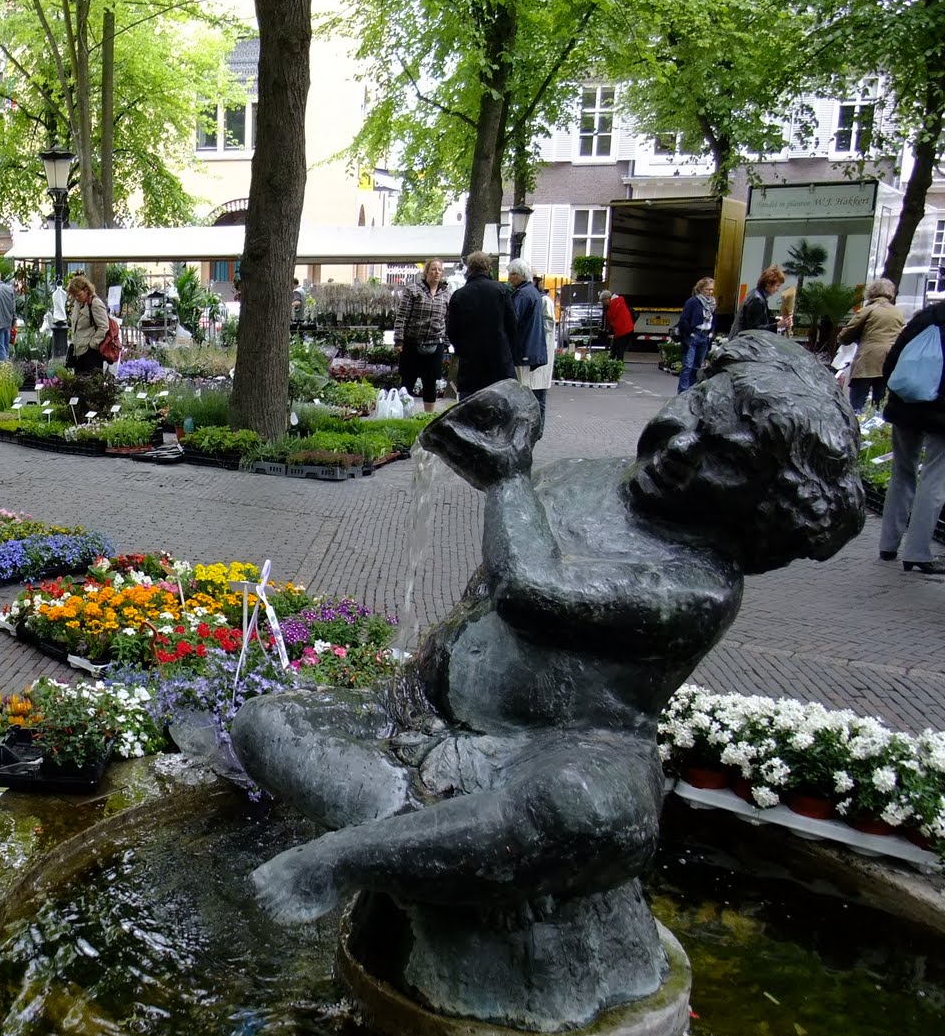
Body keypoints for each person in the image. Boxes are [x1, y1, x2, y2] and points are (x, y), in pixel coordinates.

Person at [231, 334, 865, 940]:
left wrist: (507, 476)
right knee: (264, 722)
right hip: (424, 722)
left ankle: (349, 858)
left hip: (565, 753)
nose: (680, 449)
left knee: (586, 814)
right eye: (695, 411)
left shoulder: (703, 583)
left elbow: (531, 591)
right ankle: (446, 846)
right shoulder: (591, 476)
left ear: (763, 502)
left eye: (723, 460)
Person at [877, 301, 945, 574]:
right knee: (935, 478)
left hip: (905, 407)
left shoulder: (924, 318)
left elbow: (892, 360)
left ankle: (888, 544)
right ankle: (918, 551)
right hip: (941, 415)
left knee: (902, 472)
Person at [445, 251, 517, 399]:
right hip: (499, 361)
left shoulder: (459, 295)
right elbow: (512, 324)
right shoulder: (501, 291)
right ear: (488, 268)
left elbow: (452, 330)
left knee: (470, 409)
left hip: (471, 363)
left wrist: (462, 349)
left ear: (469, 269)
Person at [837, 278, 905, 412]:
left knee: (858, 401)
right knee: (879, 401)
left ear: (872, 292)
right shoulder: (898, 312)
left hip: (867, 360)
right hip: (890, 361)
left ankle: (858, 424)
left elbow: (845, 336)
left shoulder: (868, 310)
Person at [393, 259, 450, 413]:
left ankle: (428, 417)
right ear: (426, 272)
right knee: (408, 381)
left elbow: (448, 319)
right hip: (412, 343)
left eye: (439, 270)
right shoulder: (413, 290)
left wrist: (445, 343)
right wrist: (399, 340)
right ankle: (404, 414)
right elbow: (402, 316)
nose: (436, 272)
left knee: (430, 382)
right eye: (433, 269)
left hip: (435, 344)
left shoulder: (446, 294)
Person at [508, 259, 550, 423]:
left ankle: (522, 424)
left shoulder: (523, 294)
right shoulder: (531, 292)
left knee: (520, 390)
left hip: (522, 350)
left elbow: (513, 320)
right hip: (528, 349)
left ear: (520, 275)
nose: (510, 278)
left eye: (512, 274)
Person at [674, 277, 717, 394]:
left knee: (697, 366)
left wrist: (711, 333)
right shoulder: (693, 302)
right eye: (708, 289)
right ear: (701, 289)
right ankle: (682, 392)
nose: (710, 292)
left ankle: (691, 391)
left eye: (712, 290)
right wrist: (690, 333)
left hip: (705, 336)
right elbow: (684, 319)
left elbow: (713, 319)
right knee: (687, 365)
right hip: (693, 336)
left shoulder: (712, 303)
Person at [66, 273, 109, 374]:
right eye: (74, 295)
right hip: (79, 352)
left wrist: (92, 344)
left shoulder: (95, 303)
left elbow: (103, 326)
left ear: (86, 290)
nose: (76, 298)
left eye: (79, 295)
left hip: (91, 353)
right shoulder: (78, 304)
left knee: (91, 384)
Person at [733, 266, 785, 336]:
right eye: (777, 286)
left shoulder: (757, 295)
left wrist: (777, 320)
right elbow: (754, 329)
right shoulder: (756, 299)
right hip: (742, 343)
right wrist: (777, 325)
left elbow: (762, 320)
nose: (778, 289)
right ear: (768, 284)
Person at [599, 289, 635, 360]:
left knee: (619, 351)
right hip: (627, 329)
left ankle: (617, 366)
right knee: (616, 349)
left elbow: (610, 319)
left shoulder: (613, 305)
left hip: (622, 331)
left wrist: (606, 331)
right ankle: (613, 364)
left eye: (603, 301)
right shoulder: (619, 301)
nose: (603, 303)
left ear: (607, 299)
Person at [48, 275, 68, 362]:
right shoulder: (56, 294)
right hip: (58, 317)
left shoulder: (61, 293)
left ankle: (61, 356)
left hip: (60, 317)